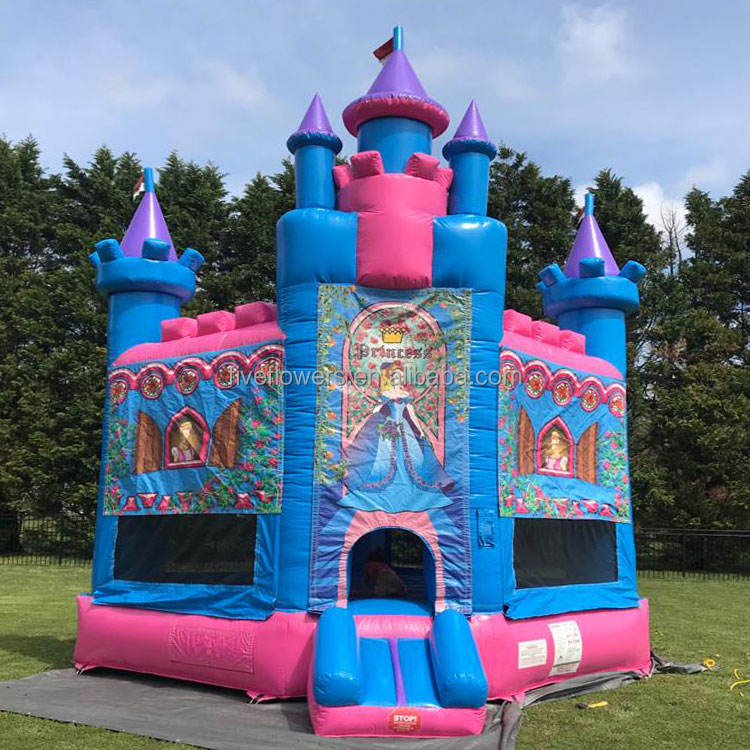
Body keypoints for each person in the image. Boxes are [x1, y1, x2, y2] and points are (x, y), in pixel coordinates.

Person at [341, 361, 457, 512]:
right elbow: (378, 409)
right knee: (385, 457)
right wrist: (376, 412)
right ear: (391, 377)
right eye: (395, 376)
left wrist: (420, 430)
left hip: (404, 428)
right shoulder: (387, 394)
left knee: (412, 457)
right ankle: (386, 490)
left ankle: (410, 491)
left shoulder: (405, 394)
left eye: (400, 376)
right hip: (389, 426)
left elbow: (410, 412)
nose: (398, 379)